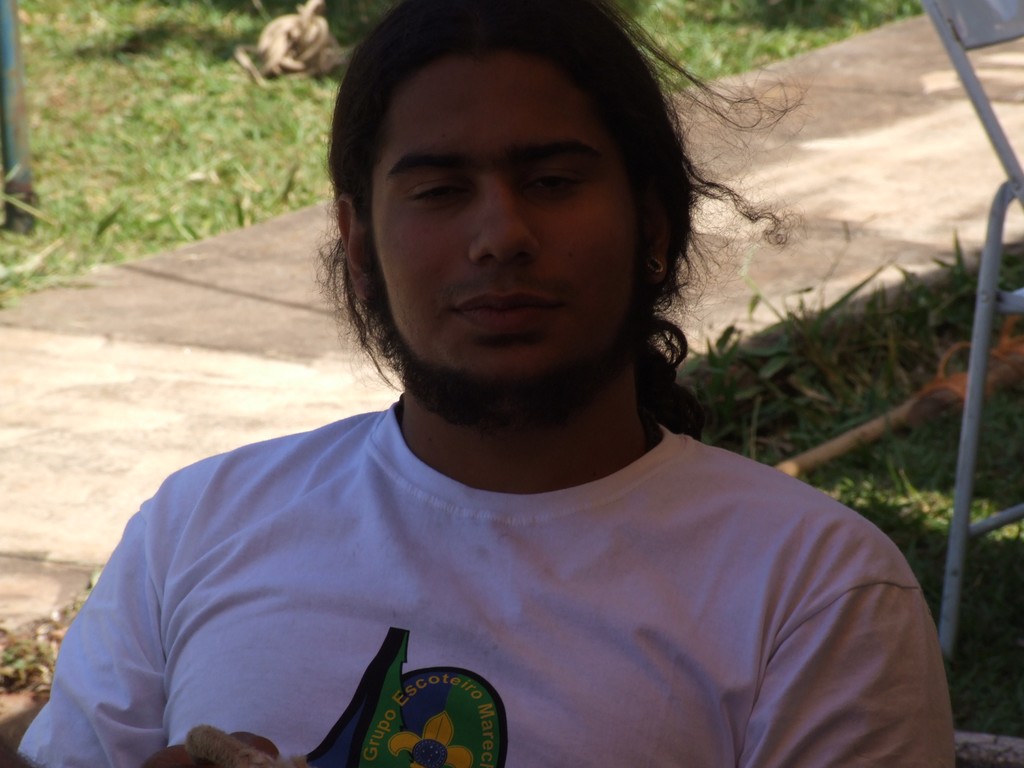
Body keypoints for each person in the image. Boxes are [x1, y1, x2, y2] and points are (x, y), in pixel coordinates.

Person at [20, 0, 955, 765]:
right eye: (438, 190)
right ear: (358, 245)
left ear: (654, 224)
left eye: (552, 181)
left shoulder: (813, 588)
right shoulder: (199, 529)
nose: (501, 235)